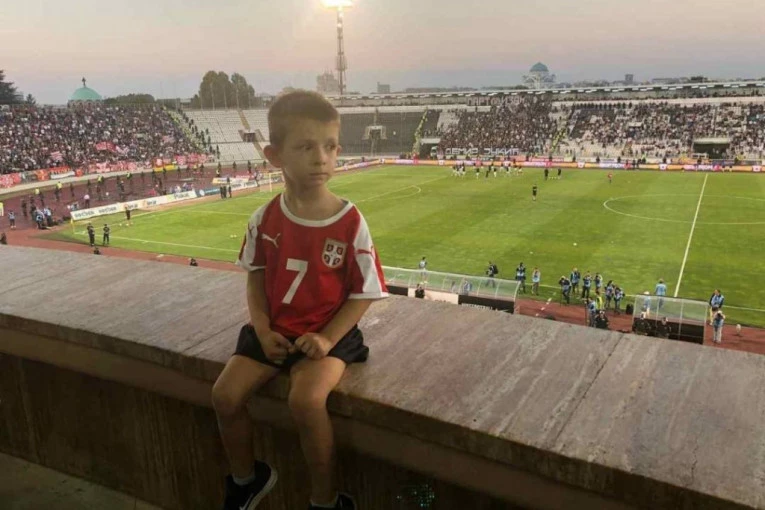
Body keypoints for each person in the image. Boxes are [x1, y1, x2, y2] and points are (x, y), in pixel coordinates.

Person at [212, 91, 388, 510]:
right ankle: (246, 480)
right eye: (306, 147)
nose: (321, 158)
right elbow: (256, 277)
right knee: (224, 396)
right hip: (274, 330)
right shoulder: (264, 218)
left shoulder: (350, 221)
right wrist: (261, 328)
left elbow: (364, 293)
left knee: (305, 401)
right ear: (274, 156)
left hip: (328, 334)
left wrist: (326, 338)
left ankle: (325, 501)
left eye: (330, 147)